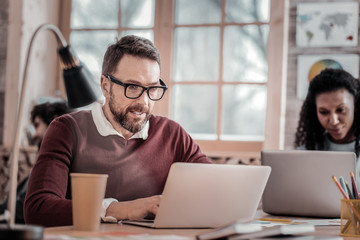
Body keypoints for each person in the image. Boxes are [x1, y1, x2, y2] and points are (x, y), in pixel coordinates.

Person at [24, 35, 212, 227]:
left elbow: (217, 189)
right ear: (106, 86)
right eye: (132, 87)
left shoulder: (172, 134)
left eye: (152, 88)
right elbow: (38, 209)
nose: (144, 102)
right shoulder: (66, 130)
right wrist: (121, 209)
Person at [0, 101, 70, 224]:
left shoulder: (58, 169)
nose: (34, 135)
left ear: (54, 121)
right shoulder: (40, 167)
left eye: (37, 125)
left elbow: (24, 210)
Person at [294, 68, 360, 174]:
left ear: (355, 106)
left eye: (341, 110)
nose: (333, 121)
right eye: (324, 112)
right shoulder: (305, 152)